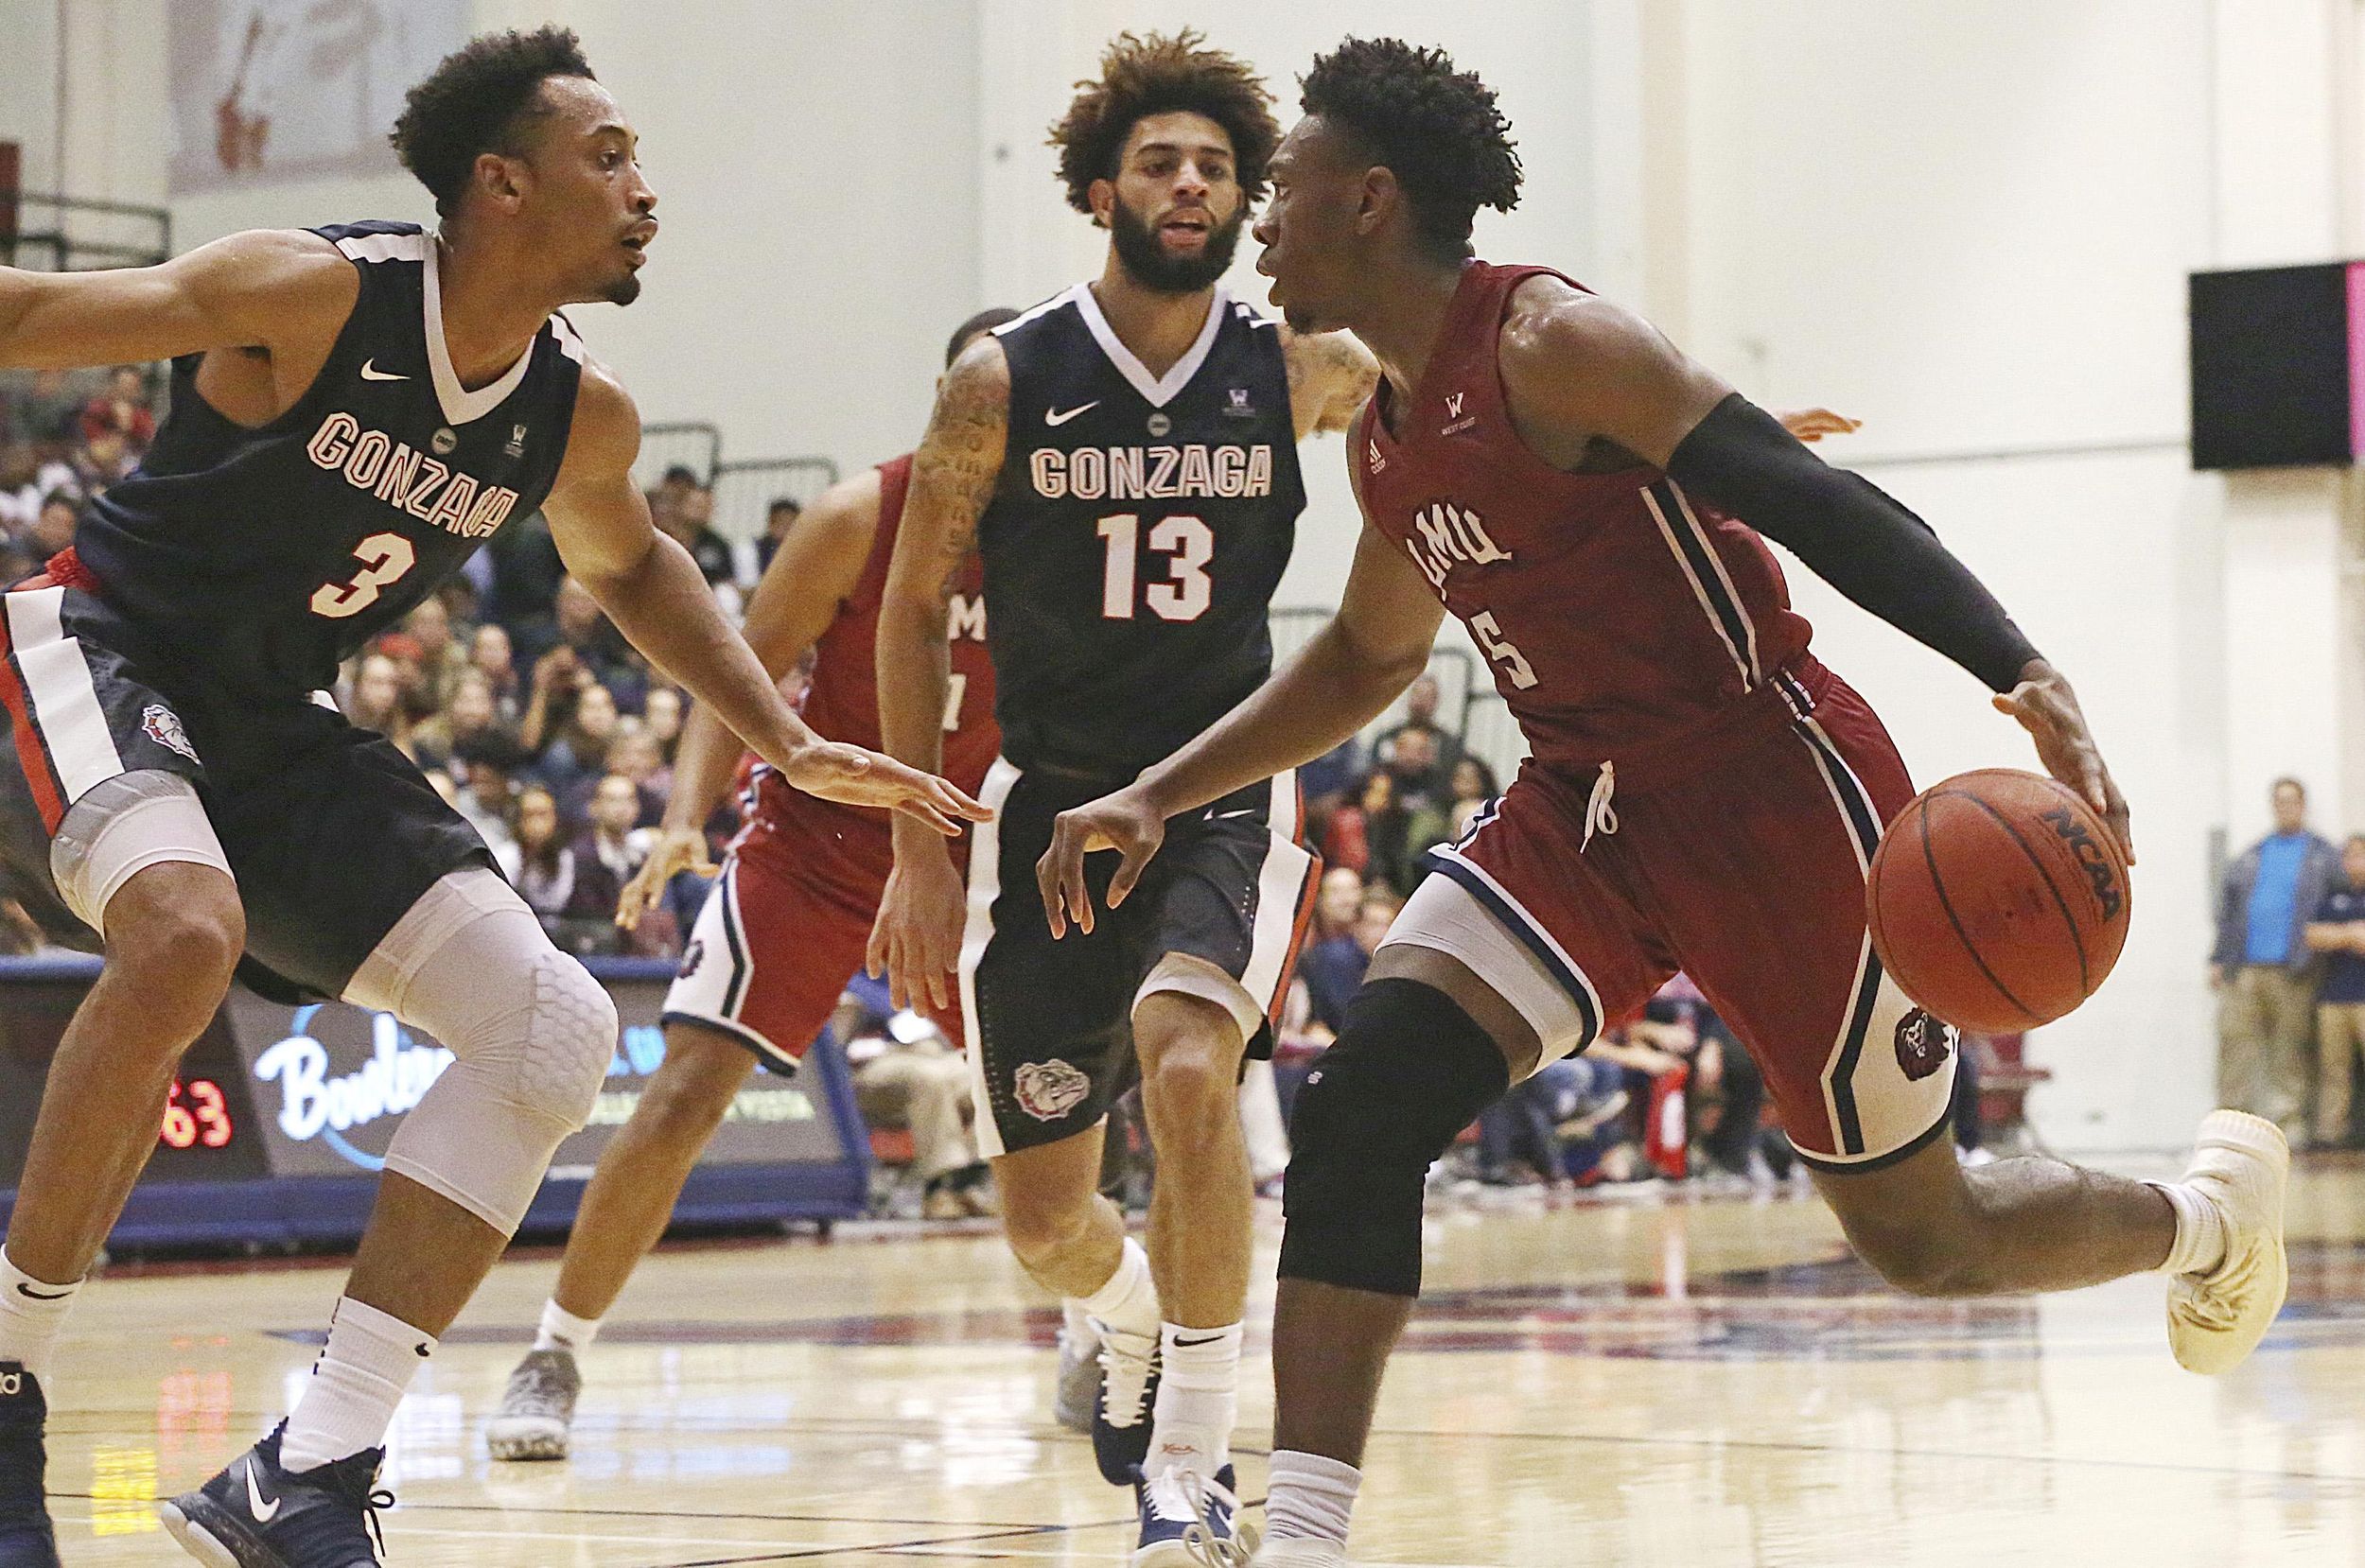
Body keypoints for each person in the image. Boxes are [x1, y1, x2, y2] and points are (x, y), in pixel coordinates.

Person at [1036, 39, 2287, 1567]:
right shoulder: (1383, 432)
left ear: (1369, 201)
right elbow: (1366, 658)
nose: (1260, 221)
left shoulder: (1551, 341)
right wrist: (1157, 794)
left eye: (1282, 187)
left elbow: (1810, 496)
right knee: (1367, 1098)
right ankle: (1303, 1537)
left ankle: (2206, 1217)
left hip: (1775, 794)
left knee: (1924, 1231)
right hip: (1582, 807)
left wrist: (2022, 667)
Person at [0, 27, 982, 1568]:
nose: (647, 191)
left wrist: (786, 739)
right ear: (502, 184)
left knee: (558, 1022)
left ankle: (309, 1463)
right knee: (187, 932)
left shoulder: (577, 417)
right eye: (612, 159)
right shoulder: (317, 291)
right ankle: (7, 1388)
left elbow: (637, 568)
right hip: (98, 642)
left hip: (268, 724)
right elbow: (43, 312)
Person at [870, 31, 1379, 1565]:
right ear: (1103, 187)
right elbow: (908, 613)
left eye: (1218, 165)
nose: (1191, 183)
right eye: (1162, 160)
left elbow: (1496, 389)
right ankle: (1128, 1315)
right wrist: (922, 845)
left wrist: (1677, 456)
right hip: (1043, 813)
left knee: (1185, 1066)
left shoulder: (1303, 367)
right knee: (1043, 1220)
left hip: (1219, 791)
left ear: (1244, 200)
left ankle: (1191, 1462)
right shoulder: (1002, 379)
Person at [482, 308, 1014, 1464]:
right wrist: (681, 819)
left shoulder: (1076, 538)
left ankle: (1103, 1333)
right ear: (949, 400)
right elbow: (732, 674)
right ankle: (555, 1349)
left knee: (1060, 1105)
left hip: (981, 860)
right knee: (683, 1090)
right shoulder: (854, 518)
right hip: (822, 847)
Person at [2212, 776, 2339, 1141]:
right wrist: (2218, 958)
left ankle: (2289, 1128)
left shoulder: (2323, 856)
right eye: (2279, 801)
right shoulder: (2252, 855)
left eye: (2292, 801)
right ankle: (2231, 1127)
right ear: (2273, 806)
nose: (2286, 807)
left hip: (2294, 971)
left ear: (2303, 805)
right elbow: (2229, 909)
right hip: (2244, 969)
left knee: (2290, 1050)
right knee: (2236, 1045)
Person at [2304, 831, 2365, 1148]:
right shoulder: (2332, 899)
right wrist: (2351, 934)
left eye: (2360, 854)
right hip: (2334, 997)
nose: (2355, 862)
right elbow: (2313, 936)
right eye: (2349, 856)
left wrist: (2339, 936)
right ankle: (2331, 1134)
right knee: (2333, 1070)